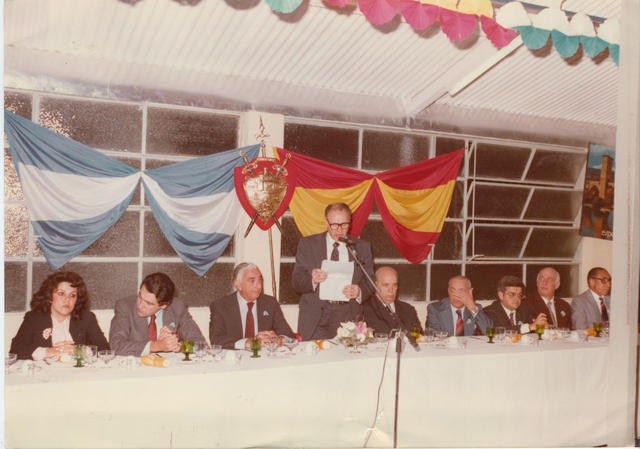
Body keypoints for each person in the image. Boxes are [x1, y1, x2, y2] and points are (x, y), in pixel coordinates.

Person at [292, 202, 374, 340]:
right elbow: (296, 282)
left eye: (344, 225)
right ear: (326, 222)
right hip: (316, 317)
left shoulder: (362, 247)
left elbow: (371, 282)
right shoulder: (308, 244)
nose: (339, 230)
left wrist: (359, 291)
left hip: (348, 316)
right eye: (334, 225)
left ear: (350, 223)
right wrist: (312, 280)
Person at [10, 271, 109, 360]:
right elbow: (16, 350)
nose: (67, 299)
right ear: (49, 296)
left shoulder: (86, 318)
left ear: (77, 299)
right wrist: (49, 351)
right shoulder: (34, 318)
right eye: (61, 293)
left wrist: (79, 350)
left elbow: (105, 348)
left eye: (72, 295)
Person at [109, 272, 205, 356]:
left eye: (149, 303)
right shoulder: (125, 307)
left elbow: (200, 344)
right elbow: (116, 346)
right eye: (140, 296)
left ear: (164, 305)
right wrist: (157, 346)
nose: (140, 305)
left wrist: (178, 347)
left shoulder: (177, 307)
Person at [209, 263, 295, 350]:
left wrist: (279, 339)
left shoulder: (270, 303)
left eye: (260, 280)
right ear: (238, 285)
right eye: (252, 281)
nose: (259, 286)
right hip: (235, 356)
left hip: (264, 356)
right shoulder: (220, 306)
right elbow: (216, 340)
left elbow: (289, 335)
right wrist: (248, 343)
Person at [363, 266, 422, 335]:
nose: (391, 290)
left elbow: (418, 337)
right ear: (375, 285)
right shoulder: (365, 310)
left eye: (394, 285)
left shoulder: (408, 310)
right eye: (386, 285)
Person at [426, 275, 492, 336]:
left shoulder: (475, 308)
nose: (456, 295)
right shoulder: (435, 309)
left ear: (470, 292)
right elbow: (435, 336)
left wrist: (472, 307)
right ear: (448, 291)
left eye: (461, 291)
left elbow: (490, 333)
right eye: (452, 291)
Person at [483, 275, 547, 333]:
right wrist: (529, 327)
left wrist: (542, 325)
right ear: (501, 295)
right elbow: (498, 330)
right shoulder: (489, 312)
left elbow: (535, 324)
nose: (517, 298)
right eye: (511, 294)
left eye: (519, 295)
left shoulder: (524, 309)